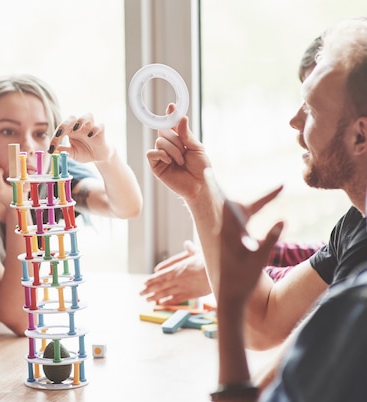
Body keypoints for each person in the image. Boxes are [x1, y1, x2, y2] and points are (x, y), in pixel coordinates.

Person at [146, 16, 367, 353]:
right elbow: (264, 320)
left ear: (360, 135)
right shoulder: (355, 226)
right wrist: (199, 191)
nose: (294, 121)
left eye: (311, 108)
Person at [0, 74, 143, 335]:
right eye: (8, 131)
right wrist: (19, 204)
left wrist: (106, 156)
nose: (27, 146)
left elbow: (126, 208)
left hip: (5, 347)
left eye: (41, 133)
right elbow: (20, 318)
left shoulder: (50, 176)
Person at [141, 35, 325, 307]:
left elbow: (282, 311)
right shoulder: (356, 224)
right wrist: (224, 255)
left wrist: (222, 268)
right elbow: (323, 260)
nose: (295, 120)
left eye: (315, 103)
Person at [210, 183, 367, 402]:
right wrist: (198, 193)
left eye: (310, 141)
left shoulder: (355, 303)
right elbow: (268, 315)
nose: (302, 143)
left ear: (360, 143)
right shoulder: (356, 222)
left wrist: (230, 303)